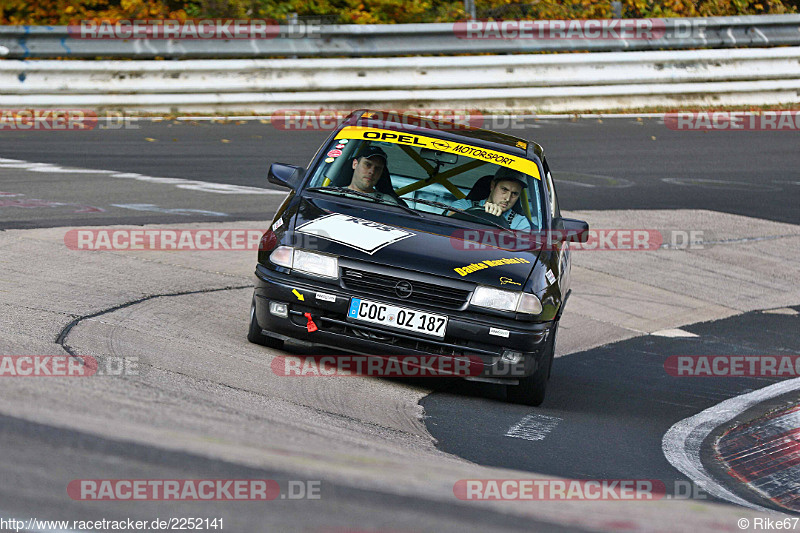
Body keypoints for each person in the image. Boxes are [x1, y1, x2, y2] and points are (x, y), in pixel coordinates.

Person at [450, 166, 531, 230]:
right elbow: (449, 218)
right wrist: (484, 215)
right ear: (493, 186)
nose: (507, 198)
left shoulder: (520, 223)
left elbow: (520, 247)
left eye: (514, 194)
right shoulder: (463, 204)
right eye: (504, 189)